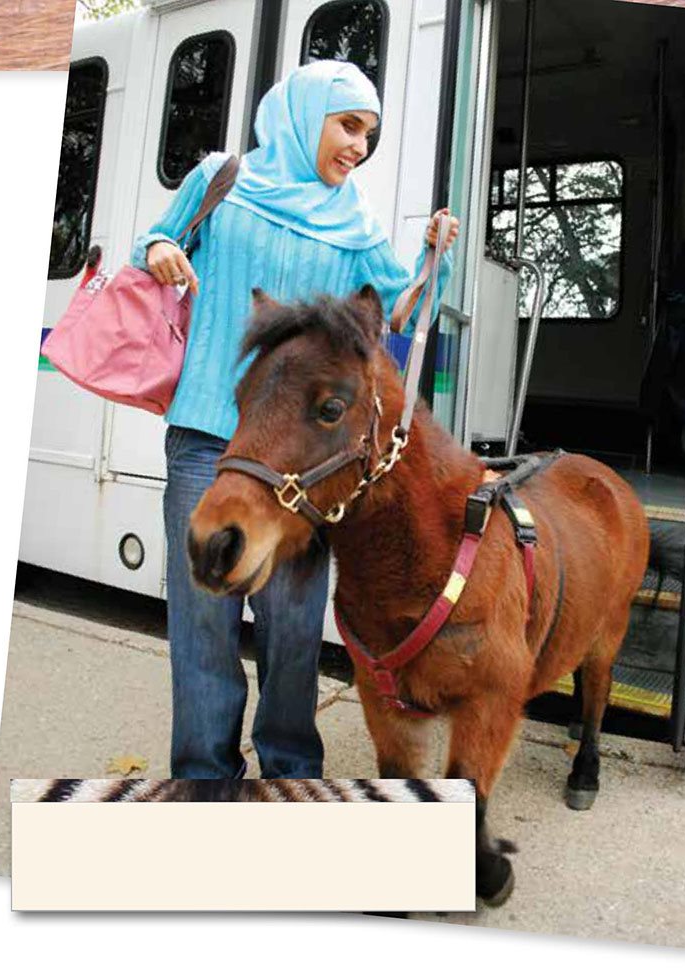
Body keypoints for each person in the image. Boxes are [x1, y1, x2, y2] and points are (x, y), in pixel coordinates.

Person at [131, 60, 460, 780]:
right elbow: (157, 240)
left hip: (300, 461)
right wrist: (159, 250)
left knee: (291, 625)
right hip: (208, 436)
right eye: (348, 125)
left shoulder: (357, 224)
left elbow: (398, 312)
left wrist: (435, 257)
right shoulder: (225, 179)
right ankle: (204, 774)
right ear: (305, 113)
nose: (359, 146)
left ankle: (287, 769)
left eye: (370, 134)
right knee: (203, 623)